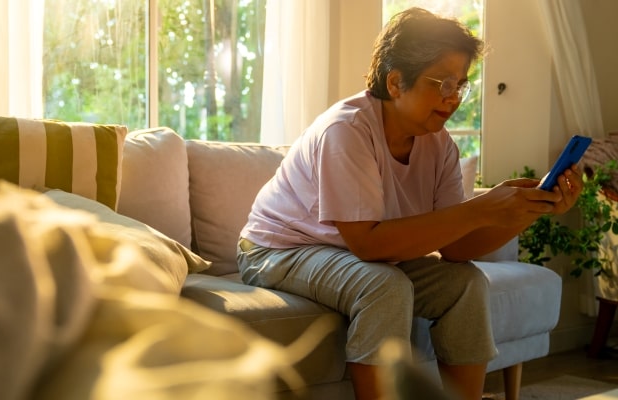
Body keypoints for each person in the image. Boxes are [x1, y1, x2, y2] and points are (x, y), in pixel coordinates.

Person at [236, 7, 583, 400]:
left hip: (345, 252)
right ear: (397, 82)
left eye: (461, 86)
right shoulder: (346, 131)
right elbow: (368, 244)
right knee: (384, 286)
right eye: (443, 84)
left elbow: (456, 249)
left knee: (465, 283)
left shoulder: (440, 145)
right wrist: (483, 208)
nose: (454, 99)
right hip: (279, 250)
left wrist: (525, 210)